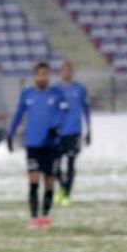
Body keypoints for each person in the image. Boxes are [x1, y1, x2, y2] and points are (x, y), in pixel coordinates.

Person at [7, 62, 65, 229]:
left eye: (45, 74)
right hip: (33, 144)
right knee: (33, 180)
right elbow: (18, 115)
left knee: (49, 182)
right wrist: (10, 135)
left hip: (51, 145)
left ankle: (45, 217)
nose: (42, 77)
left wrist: (57, 127)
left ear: (49, 76)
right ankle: (33, 218)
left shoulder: (57, 94)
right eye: (39, 74)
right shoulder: (27, 95)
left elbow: (63, 114)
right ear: (34, 76)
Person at [54, 61, 91, 206]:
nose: (67, 73)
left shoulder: (80, 89)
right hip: (58, 133)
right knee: (55, 165)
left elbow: (86, 111)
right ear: (60, 73)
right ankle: (63, 187)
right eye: (64, 71)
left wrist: (89, 130)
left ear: (72, 73)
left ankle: (66, 195)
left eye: (69, 71)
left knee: (71, 163)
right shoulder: (55, 90)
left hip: (74, 132)